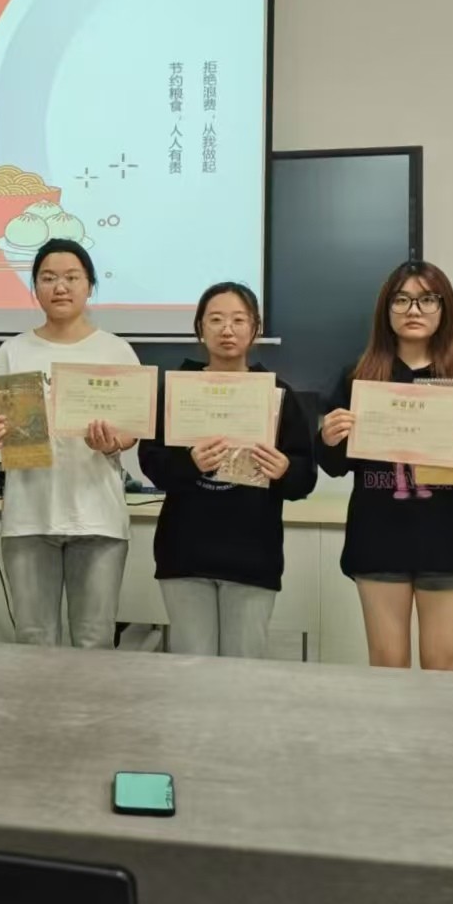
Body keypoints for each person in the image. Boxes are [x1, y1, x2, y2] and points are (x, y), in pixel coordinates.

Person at [318, 262, 453, 670]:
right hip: (379, 536)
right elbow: (333, 465)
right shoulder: (359, 376)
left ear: (445, 308)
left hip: (449, 538)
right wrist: (329, 439)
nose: (414, 310)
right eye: (402, 300)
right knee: (388, 664)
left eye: (427, 300)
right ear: (386, 309)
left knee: (444, 664)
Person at [138, 282, 318, 658]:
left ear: (255, 328)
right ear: (200, 328)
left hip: (252, 554)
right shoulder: (176, 390)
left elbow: (305, 478)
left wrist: (285, 469)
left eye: (239, 320)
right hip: (184, 552)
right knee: (191, 667)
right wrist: (189, 463)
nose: (227, 329)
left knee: (243, 672)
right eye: (216, 319)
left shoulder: (278, 394)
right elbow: (151, 461)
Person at [0, 240, 140, 647]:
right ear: (35, 287)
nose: (60, 287)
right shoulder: (12, 352)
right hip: (29, 517)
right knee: (34, 640)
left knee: (94, 640)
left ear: (90, 285)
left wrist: (110, 442)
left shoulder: (116, 351)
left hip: (98, 517)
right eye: (48, 278)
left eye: (72, 277)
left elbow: (131, 429)